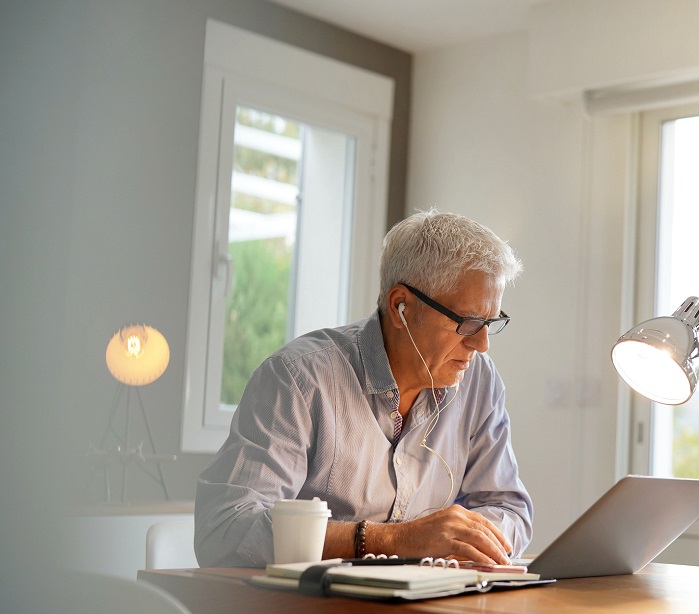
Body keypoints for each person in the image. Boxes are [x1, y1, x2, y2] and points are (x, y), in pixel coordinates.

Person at [194, 209, 533, 567]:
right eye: (468, 322)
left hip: (430, 607)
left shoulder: (479, 381)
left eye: (491, 322)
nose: (482, 345)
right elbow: (224, 531)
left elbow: (509, 509)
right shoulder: (298, 379)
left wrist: (465, 541)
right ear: (401, 306)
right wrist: (395, 540)